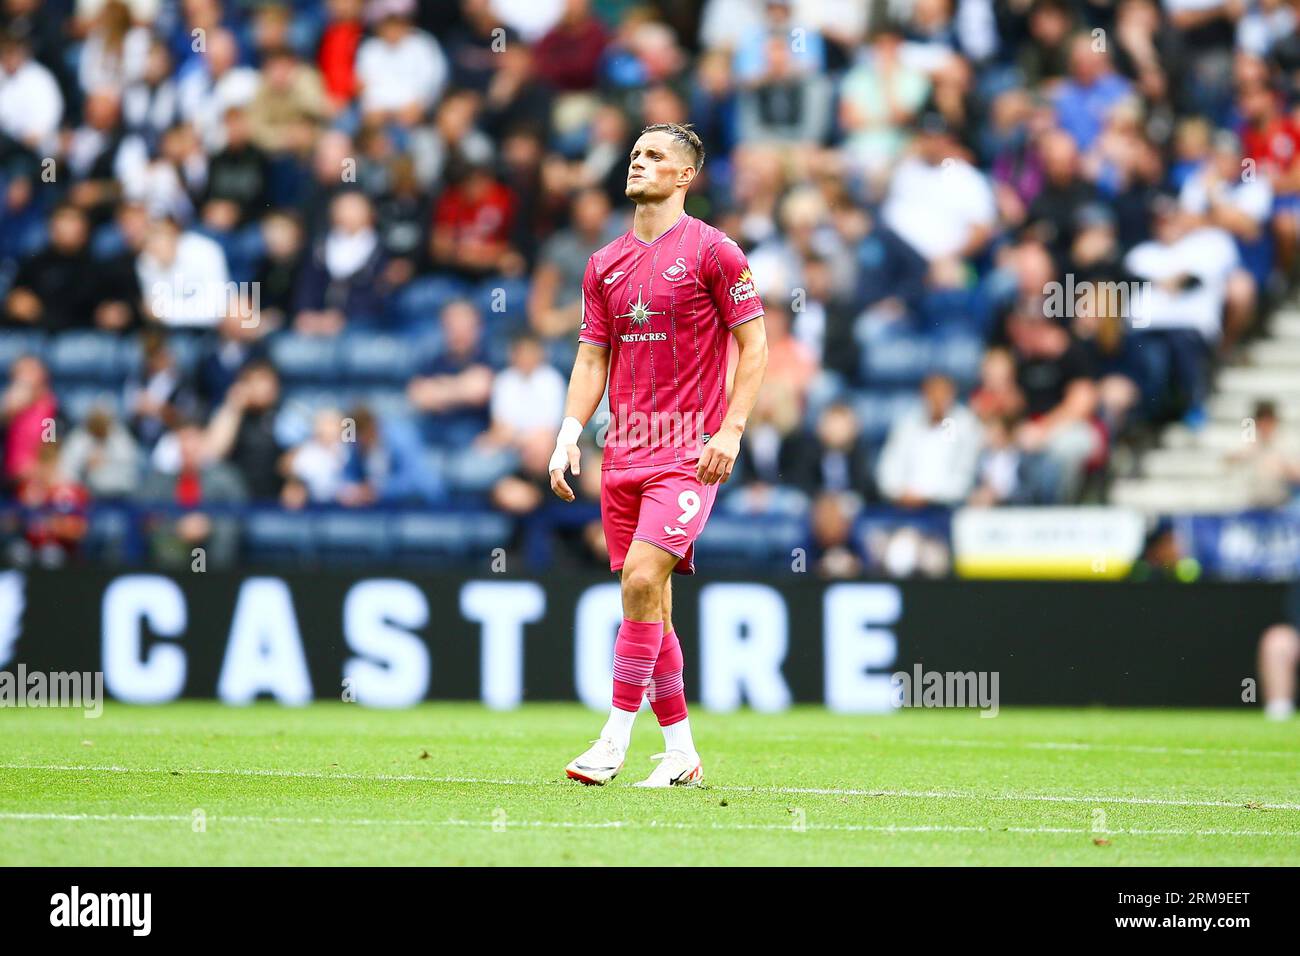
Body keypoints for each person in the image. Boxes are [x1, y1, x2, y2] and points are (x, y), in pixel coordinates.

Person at [548, 123, 768, 787]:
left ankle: (613, 740)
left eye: (656, 156)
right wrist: (567, 432)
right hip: (623, 451)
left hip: (687, 452)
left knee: (641, 580)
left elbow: (755, 348)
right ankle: (681, 754)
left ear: (685, 177)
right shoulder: (603, 263)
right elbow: (592, 356)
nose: (640, 162)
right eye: (637, 152)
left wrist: (730, 431)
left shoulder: (716, 252)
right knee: (654, 607)